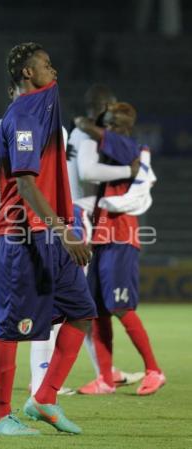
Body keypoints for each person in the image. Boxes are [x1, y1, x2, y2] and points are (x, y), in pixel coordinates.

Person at [0, 41, 96, 436]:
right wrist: (66, 233)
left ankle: (44, 398)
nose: (55, 72)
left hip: (48, 235)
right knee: (12, 327)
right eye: (47, 65)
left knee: (82, 312)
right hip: (22, 238)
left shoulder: (42, 115)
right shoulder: (25, 117)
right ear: (28, 73)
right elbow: (27, 187)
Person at [74, 102, 166, 395]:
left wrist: (87, 121)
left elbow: (86, 126)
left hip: (122, 237)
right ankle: (104, 378)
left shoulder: (130, 147)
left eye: (114, 124)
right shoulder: (116, 153)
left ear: (126, 126)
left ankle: (154, 370)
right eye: (108, 124)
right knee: (97, 310)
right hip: (102, 237)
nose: (109, 129)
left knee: (120, 307)